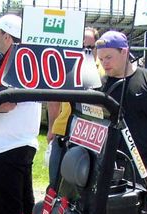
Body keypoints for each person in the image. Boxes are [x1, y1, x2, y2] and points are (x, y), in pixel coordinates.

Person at [0, 14, 42, 214]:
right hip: (20, 143)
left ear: (6, 36)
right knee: (24, 208)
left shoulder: (15, 61)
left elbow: (6, 103)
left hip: (6, 147)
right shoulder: (27, 60)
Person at [96, 30, 147, 178]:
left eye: (108, 57)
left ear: (125, 52)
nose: (104, 63)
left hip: (144, 166)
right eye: (101, 59)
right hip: (105, 166)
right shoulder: (98, 85)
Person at [46, 27, 103, 187]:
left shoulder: (104, 72)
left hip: (91, 138)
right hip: (63, 133)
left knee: (85, 186)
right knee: (55, 183)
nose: (85, 51)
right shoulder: (66, 69)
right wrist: (51, 128)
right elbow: (53, 100)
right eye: (80, 47)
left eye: (89, 48)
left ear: (96, 48)